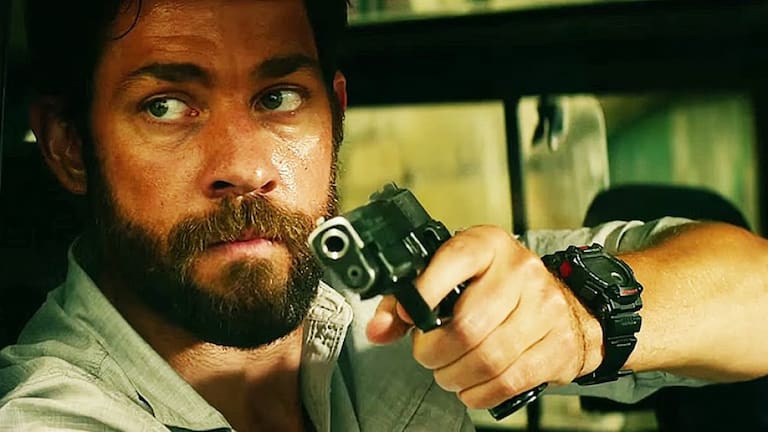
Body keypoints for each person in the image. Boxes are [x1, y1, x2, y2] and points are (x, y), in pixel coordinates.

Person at [2, 0, 768, 430]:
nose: (245, 165)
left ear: (335, 114)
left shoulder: (395, 301)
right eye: (166, 106)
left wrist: (575, 320)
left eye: (278, 98)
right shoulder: (48, 416)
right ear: (69, 146)